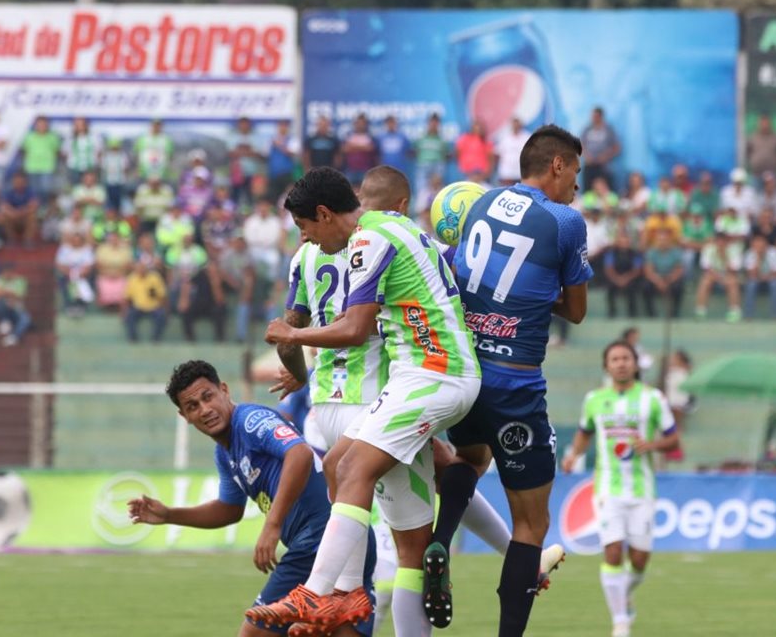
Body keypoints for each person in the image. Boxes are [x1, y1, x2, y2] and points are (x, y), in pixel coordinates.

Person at [270, 166, 522, 636]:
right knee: (353, 478)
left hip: (431, 375)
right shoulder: (407, 229)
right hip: (421, 377)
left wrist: (293, 333)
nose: (306, 239)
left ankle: (322, 592)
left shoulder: (369, 238)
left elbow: (355, 329)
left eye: (306, 228)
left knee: (353, 470)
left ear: (325, 214)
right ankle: (352, 588)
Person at [425, 126, 588, 635]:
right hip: (515, 383)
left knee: (472, 458)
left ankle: (440, 537)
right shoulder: (565, 222)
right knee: (532, 526)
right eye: (576, 174)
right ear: (557, 165)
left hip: (466, 376)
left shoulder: (481, 203)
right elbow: (577, 312)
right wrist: (539, 295)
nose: (577, 187)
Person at [128, 360, 376, 637]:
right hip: (343, 539)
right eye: (193, 406)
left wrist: (272, 525)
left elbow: (299, 454)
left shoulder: (249, 420)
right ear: (184, 415)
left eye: (207, 396)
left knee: (255, 633)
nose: (204, 409)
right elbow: (229, 509)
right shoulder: (225, 454)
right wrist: (170, 515)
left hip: (320, 536)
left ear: (224, 389)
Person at [561, 341, 679, 637]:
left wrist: (651, 445)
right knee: (612, 552)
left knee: (639, 560)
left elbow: (674, 440)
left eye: (626, 358)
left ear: (636, 364)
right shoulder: (594, 400)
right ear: (606, 366)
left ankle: (624, 595)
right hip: (607, 489)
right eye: (615, 359)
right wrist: (573, 455)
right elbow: (584, 432)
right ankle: (620, 621)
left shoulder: (653, 399)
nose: (621, 363)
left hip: (642, 490)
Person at [694, 231, 743, 322]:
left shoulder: (734, 250)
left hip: (729, 275)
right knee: (705, 281)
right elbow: (707, 268)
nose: (721, 243)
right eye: (718, 241)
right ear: (715, 241)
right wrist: (719, 278)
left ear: (727, 242)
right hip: (713, 275)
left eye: (723, 241)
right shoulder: (708, 249)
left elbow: (734, 269)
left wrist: (724, 255)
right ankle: (700, 311)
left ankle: (734, 312)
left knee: (733, 282)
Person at [642, 228, 685, 318]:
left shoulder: (676, 252)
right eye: (660, 240)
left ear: (669, 240)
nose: (662, 242)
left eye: (665, 240)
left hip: (670, 277)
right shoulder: (651, 252)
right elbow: (648, 271)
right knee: (645, 286)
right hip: (656, 278)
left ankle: (674, 314)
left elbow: (679, 270)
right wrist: (658, 281)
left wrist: (669, 280)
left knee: (679, 287)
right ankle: (651, 314)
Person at [122, 260, 168, 342]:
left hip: (154, 307)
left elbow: (162, 296)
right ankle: (133, 339)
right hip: (138, 307)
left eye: (143, 268)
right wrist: (124, 310)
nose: (141, 270)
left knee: (161, 316)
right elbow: (126, 297)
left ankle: (155, 339)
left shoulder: (155, 277)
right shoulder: (132, 278)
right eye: (139, 268)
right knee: (129, 316)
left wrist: (164, 308)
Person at [743, 232, 776, 319]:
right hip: (756, 278)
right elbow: (751, 274)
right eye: (756, 242)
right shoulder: (749, 253)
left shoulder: (775, 252)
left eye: (761, 242)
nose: (759, 245)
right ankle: (748, 315)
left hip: (772, 278)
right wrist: (758, 257)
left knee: (775, 284)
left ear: (766, 243)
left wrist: (767, 276)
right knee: (751, 285)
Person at [22, 115, 62, 201]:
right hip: (32, 167)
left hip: (47, 167)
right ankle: (35, 210)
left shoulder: (52, 137)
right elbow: (25, 151)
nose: (41, 126)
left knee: (45, 189)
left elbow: (56, 151)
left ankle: (44, 208)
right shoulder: (29, 137)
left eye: (43, 124)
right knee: (34, 190)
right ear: (35, 125)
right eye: (39, 124)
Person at [603, 231, 643, 318]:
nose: (624, 244)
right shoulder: (611, 253)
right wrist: (617, 279)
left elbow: (637, 270)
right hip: (615, 278)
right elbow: (609, 269)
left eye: (626, 242)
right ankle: (612, 313)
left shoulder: (635, 253)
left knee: (632, 289)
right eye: (621, 242)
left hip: (630, 279)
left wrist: (626, 279)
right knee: (610, 289)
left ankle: (632, 314)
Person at [581, 106, 621, 190]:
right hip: (589, 166)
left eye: (596, 116)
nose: (593, 119)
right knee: (588, 191)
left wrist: (605, 157)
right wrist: (587, 156)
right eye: (592, 116)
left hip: (604, 167)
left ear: (601, 116)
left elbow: (617, 148)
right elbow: (581, 145)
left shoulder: (609, 130)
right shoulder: (587, 129)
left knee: (605, 191)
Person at [0, 171, 39, 246]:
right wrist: (14, 213)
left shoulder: (30, 191)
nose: (18, 183)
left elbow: (34, 205)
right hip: (13, 218)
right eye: (16, 181)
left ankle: (28, 240)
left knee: (32, 216)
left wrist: (22, 212)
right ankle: (11, 239)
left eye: (20, 181)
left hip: (24, 218)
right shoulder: (8, 191)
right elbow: (3, 206)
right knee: (4, 215)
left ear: (25, 182)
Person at [414, 114, 450, 196]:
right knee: (421, 188)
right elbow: (415, 150)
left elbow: (446, 153)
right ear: (428, 123)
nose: (433, 125)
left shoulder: (442, 139)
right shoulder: (421, 137)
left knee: (438, 189)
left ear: (438, 124)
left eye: (436, 123)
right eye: (432, 122)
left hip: (438, 165)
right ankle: (421, 207)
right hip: (423, 164)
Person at [745, 113, 776, 180]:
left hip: (772, 174)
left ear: (770, 124)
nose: (765, 125)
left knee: (772, 190)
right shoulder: (752, 138)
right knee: (756, 190)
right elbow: (747, 152)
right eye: (762, 123)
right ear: (759, 124)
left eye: (766, 123)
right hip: (757, 173)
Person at [340, 114, 379, 187]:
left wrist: (353, 146)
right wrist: (363, 147)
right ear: (355, 123)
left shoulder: (370, 136)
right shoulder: (348, 135)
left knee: (365, 193)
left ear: (366, 124)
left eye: (363, 123)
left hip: (366, 169)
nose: (360, 125)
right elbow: (344, 149)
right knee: (349, 192)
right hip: (350, 169)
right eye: (358, 123)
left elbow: (371, 148)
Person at [494, 117, 531, 187]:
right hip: (507, 173)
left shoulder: (527, 137)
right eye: (514, 124)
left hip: (521, 173)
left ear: (521, 125)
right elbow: (497, 153)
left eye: (517, 124)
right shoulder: (504, 137)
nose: (516, 126)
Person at [377, 116, 414, 181]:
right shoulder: (381, 137)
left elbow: (409, 151)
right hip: (386, 169)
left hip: (400, 169)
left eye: (393, 123)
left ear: (396, 124)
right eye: (389, 123)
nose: (391, 125)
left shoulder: (402, 137)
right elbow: (378, 153)